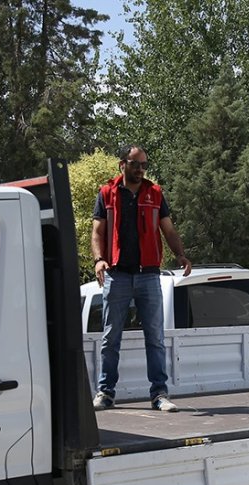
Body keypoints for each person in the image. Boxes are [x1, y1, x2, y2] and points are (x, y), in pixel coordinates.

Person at [91, 145, 192, 412]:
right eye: (135, 164)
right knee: (110, 338)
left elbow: (168, 229)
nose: (140, 169)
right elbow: (97, 231)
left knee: (155, 338)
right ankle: (105, 393)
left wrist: (180, 255)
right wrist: (99, 259)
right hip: (117, 275)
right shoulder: (107, 193)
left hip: (148, 275)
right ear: (122, 164)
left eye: (144, 165)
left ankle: (159, 394)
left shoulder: (155, 193)